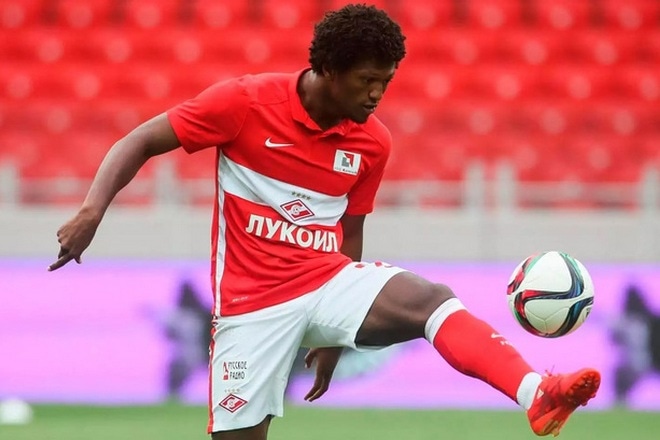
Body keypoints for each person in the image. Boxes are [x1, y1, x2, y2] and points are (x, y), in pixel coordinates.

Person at [48, 4, 600, 439]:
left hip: (324, 280)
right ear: (328, 70)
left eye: (386, 80)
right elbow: (140, 140)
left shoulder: (372, 142)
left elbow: (350, 230)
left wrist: (338, 335)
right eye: (366, 80)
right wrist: (92, 211)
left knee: (430, 300)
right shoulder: (244, 104)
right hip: (250, 306)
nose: (377, 93)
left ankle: (536, 392)